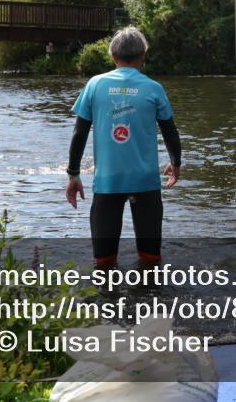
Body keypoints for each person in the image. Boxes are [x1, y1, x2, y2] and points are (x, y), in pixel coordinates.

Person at [65, 26, 181, 269]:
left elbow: (79, 133)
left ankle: (105, 303)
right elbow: (170, 132)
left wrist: (73, 174)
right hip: (146, 183)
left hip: (108, 183)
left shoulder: (95, 85)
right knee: (151, 260)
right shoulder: (153, 88)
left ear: (112, 56)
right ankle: (151, 301)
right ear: (143, 56)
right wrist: (176, 163)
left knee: (103, 262)